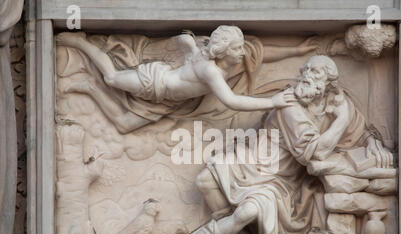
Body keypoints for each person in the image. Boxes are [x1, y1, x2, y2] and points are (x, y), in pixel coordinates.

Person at [156, 55, 393, 234]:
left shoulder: (338, 102)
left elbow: (359, 130)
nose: (306, 75)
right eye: (306, 70)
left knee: (247, 211)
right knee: (206, 180)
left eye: (315, 72)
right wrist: (341, 120)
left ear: (328, 83)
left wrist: (373, 142)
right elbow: (315, 151)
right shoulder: (291, 106)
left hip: (278, 178)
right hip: (254, 161)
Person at [56, 25, 318, 133]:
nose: (242, 52)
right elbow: (233, 101)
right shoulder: (212, 71)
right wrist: (271, 101)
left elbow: (260, 54)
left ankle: (89, 87)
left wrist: (296, 51)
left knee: (124, 124)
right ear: (225, 51)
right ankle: (79, 43)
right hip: (155, 83)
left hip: (167, 101)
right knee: (112, 78)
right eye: (238, 49)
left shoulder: (224, 63)